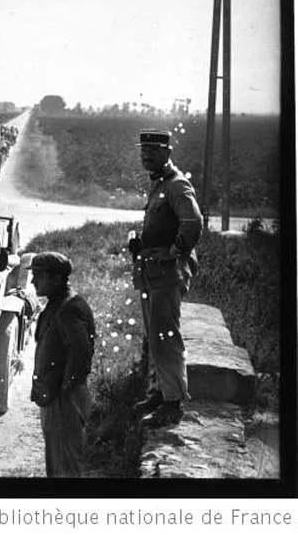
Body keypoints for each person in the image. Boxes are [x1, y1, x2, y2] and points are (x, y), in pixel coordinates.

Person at [129, 130, 203, 428]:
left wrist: (175, 251)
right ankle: (161, 392)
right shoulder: (160, 182)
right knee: (156, 337)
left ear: (167, 152)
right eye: (143, 150)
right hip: (152, 274)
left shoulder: (177, 184)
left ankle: (173, 405)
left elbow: (193, 222)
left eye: (153, 151)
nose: (146, 155)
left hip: (167, 275)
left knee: (167, 338)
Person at [29, 251, 96, 478]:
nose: (32, 281)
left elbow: (81, 355)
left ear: (56, 279)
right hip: (56, 396)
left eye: (38, 275)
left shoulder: (69, 309)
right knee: (57, 463)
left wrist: (66, 391)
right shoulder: (58, 304)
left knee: (65, 467)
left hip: (63, 399)